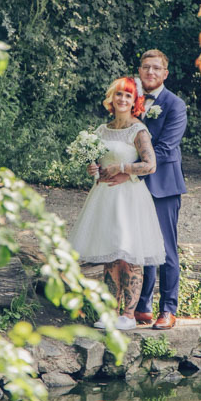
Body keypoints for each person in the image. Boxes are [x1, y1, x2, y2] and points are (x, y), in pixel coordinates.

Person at [69, 76, 166, 331]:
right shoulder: (102, 130)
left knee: (129, 254)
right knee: (111, 254)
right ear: (111, 98)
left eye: (128, 96)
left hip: (130, 197)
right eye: (118, 95)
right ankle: (110, 312)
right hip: (106, 197)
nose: (122, 99)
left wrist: (123, 167)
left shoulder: (138, 130)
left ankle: (129, 315)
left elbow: (150, 165)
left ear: (134, 101)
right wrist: (95, 169)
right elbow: (100, 164)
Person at [99, 50, 186, 330]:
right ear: (139, 69)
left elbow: (164, 148)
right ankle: (142, 307)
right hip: (131, 190)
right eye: (146, 67)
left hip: (161, 185)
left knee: (165, 249)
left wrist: (126, 169)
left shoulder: (175, 105)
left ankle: (168, 309)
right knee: (137, 247)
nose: (150, 72)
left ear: (165, 74)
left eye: (156, 68)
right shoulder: (130, 97)